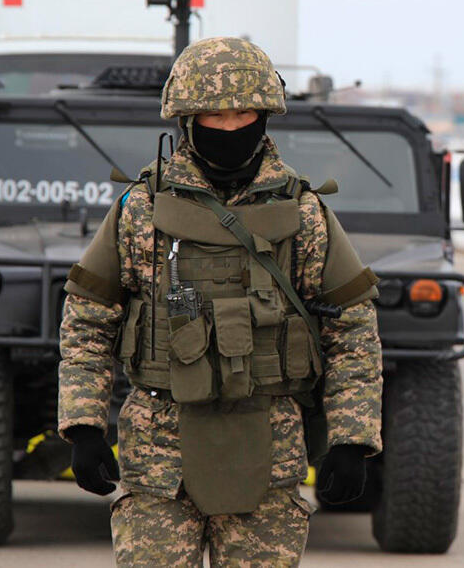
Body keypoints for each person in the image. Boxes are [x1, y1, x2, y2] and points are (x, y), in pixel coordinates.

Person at [57, 36, 383, 567]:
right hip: (159, 455)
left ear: (265, 115)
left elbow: (352, 332)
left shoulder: (303, 214)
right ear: (186, 120)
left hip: (268, 449)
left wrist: (352, 439)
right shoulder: (140, 209)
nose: (231, 128)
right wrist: (84, 425)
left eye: (244, 113)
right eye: (214, 115)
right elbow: (88, 323)